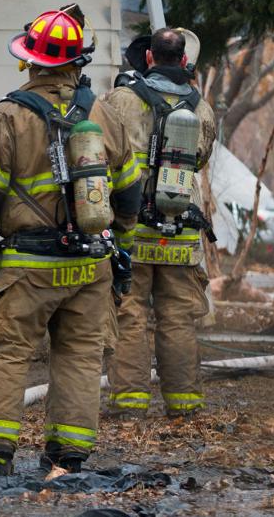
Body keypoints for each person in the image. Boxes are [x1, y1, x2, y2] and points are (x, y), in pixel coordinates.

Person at [0, 5, 141, 476]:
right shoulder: (103, 113)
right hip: (91, 264)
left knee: (7, 349)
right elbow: (131, 189)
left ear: (29, 61)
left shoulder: (8, 115)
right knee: (79, 355)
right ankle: (68, 456)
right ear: (79, 62)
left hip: (31, 264)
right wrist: (125, 252)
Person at [101, 28, 217, 417]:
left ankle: (130, 404)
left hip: (131, 227)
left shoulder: (120, 100)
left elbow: (101, 155)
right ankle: (184, 406)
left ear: (148, 58)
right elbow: (199, 160)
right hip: (181, 229)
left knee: (129, 313)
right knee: (178, 319)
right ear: (185, 62)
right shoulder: (201, 108)